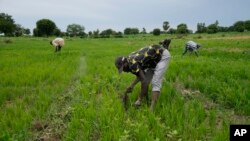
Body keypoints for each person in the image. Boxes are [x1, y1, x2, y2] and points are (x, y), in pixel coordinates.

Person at [115, 39, 171, 111]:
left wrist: (139, 99)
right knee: (146, 81)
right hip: (152, 61)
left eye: (123, 68)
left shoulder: (132, 63)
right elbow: (141, 75)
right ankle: (146, 100)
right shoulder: (129, 61)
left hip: (162, 56)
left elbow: (143, 81)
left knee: (155, 82)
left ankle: (151, 109)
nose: (124, 71)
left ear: (125, 63)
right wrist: (132, 85)